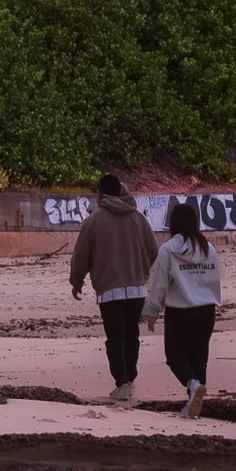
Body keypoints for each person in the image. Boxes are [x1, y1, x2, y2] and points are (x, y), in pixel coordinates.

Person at [69, 173, 159, 404]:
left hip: (110, 291)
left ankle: (122, 383)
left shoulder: (93, 221)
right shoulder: (138, 218)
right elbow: (153, 250)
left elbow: (81, 257)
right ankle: (130, 377)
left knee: (115, 338)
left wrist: (76, 281)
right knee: (131, 336)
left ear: (100, 194)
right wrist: (141, 270)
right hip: (137, 290)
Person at [142, 195, 221, 417]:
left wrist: (152, 311)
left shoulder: (168, 249)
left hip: (180, 311)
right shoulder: (209, 249)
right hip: (207, 309)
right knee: (199, 356)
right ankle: (195, 403)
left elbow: (159, 284)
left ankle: (193, 388)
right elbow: (214, 280)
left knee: (175, 356)